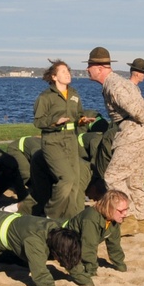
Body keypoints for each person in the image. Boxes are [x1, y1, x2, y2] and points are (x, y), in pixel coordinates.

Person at [87, 50, 144, 235]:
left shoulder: (113, 85)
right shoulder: (122, 82)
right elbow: (140, 103)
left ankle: (127, 218)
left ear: (100, 68)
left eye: (90, 66)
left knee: (113, 177)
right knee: (135, 180)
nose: (87, 69)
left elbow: (133, 106)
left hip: (133, 132)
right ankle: (142, 221)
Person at [33, 59, 94, 220]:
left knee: (75, 183)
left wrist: (82, 120)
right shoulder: (45, 97)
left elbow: (78, 114)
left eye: (68, 71)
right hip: (53, 140)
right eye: (63, 72)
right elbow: (38, 121)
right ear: (54, 77)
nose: (68, 74)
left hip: (71, 140)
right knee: (66, 179)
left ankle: (70, 221)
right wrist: (54, 122)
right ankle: (50, 216)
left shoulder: (74, 94)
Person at [63, 190, 127, 286]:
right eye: (121, 211)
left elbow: (114, 244)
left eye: (127, 209)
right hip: (64, 240)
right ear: (109, 208)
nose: (125, 214)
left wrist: (120, 265)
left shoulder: (113, 219)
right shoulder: (91, 219)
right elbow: (89, 247)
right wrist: (91, 271)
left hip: (80, 244)